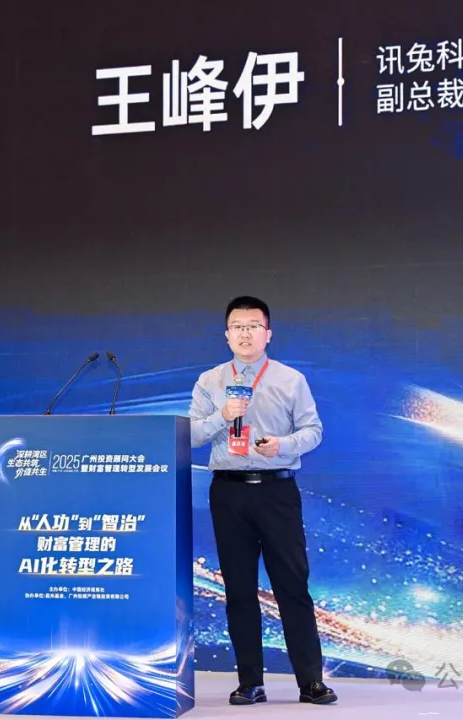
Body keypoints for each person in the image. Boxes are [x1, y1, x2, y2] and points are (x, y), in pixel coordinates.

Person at [188, 296, 337, 706]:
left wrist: (283, 445)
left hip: (276, 490)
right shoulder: (210, 381)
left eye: (253, 326)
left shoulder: (290, 379)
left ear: (267, 334)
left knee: (292, 586)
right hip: (229, 492)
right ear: (227, 335)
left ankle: (311, 681)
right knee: (238, 589)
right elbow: (192, 435)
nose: (245, 333)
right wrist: (222, 416)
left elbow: (313, 430)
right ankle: (250, 682)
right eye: (238, 326)